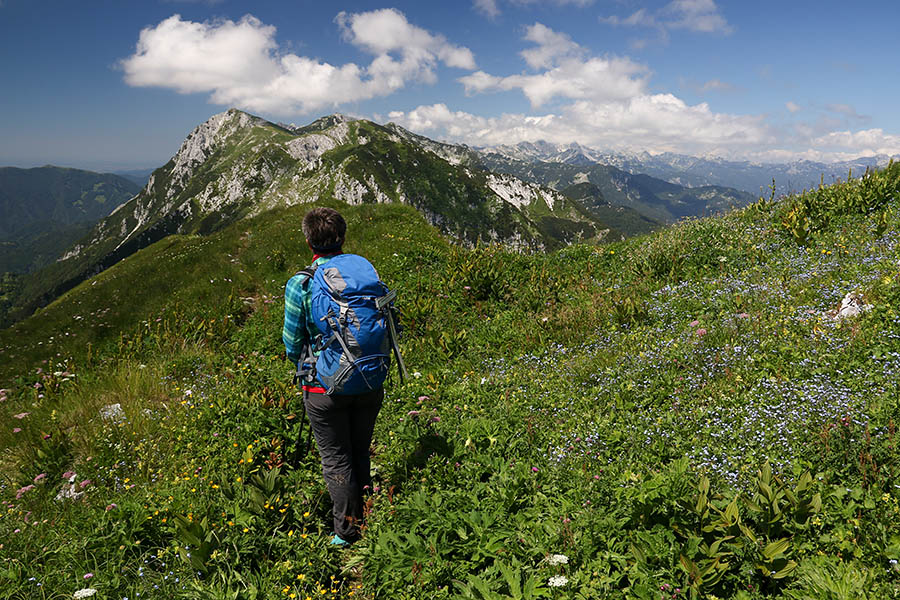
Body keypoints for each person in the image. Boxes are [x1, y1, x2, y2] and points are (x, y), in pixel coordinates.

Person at [282, 206, 383, 547]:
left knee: (336, 458)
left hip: (324, 385)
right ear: (342, 237)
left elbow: (291, 340)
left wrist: (300, 363)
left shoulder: (302, 283)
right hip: (369, 378)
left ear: (308, 240)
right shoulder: (362, 273)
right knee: (359, 450)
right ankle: (370, 514)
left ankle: (346, 532)